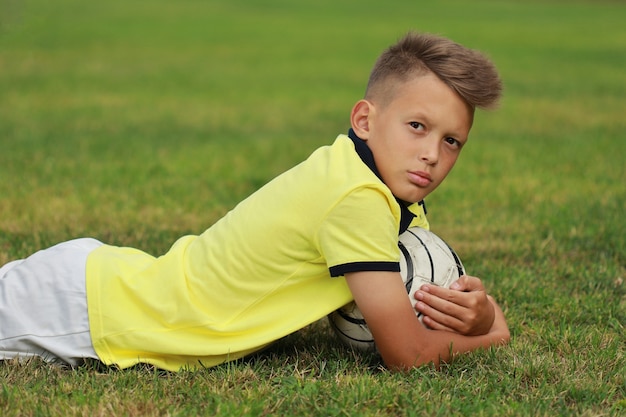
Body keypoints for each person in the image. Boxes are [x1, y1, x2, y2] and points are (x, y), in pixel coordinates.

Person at [0, 32, 510, 372]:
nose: (431, 155)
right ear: (365, 120)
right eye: (417, 127)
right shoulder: (357, 198)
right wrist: (494, 332)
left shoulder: (381, 180)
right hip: (90, 313)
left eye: (451, 142)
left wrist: (477, 310)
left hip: (105, 284)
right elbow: (407, 354)